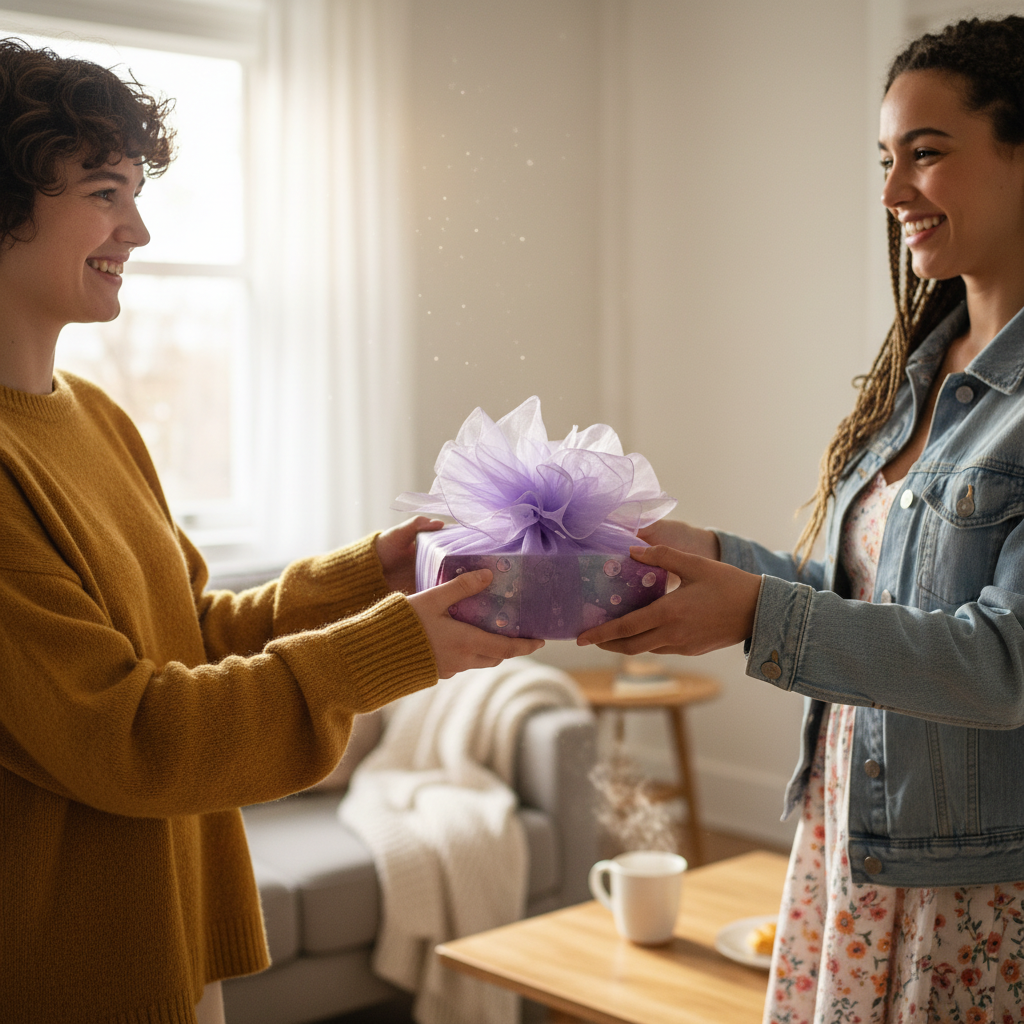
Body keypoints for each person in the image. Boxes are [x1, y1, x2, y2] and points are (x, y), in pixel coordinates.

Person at [0, 38, 544, 1023]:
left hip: (169, 933)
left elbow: (187, 636)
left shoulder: (94, 415)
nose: (140, 228)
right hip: (64, 967)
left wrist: (369, 578)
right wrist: (389, 650)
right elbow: (130, 734)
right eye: (104, 192)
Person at [578, 15, 1024, 1023]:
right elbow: (877, 600)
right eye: (884, 158)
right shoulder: (923, 370)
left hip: (967, 892)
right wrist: (718, 562)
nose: (890, 192)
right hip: (852, 843)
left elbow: (1003, 665)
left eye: (927, 153)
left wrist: (751, 616)